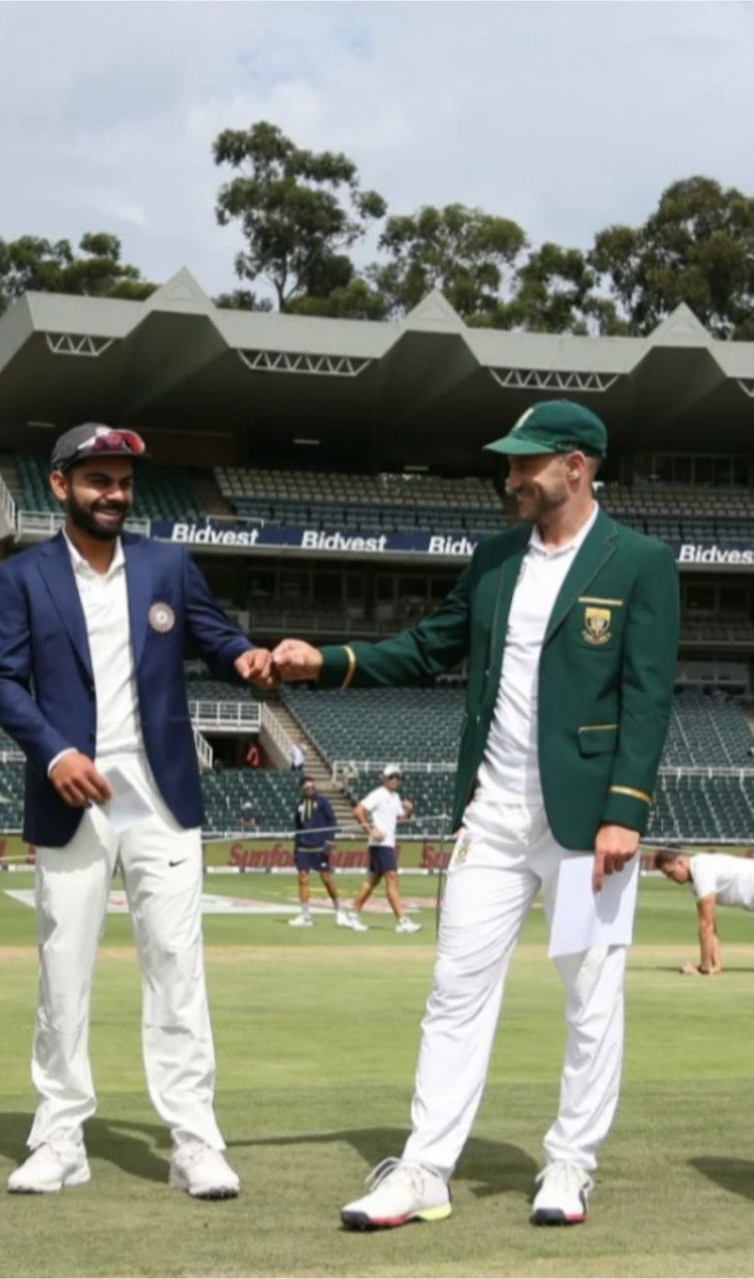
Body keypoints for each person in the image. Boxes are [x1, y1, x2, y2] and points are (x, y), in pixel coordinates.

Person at [271, 400, 680, 1231]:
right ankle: (424, 1169)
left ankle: (570, 1161)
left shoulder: (641, 562)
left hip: (586, 827)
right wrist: (330, 661)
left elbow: (648, 697)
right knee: (455, 991)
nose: (512, 477)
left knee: (590, 996)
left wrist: (624, 810)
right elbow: (426, 647)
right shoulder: (495, 559)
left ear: (578, 465)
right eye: (510, 463)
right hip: (492, 818)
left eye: (527, 462)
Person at [0, 422, 276, 1200]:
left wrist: (245, 657)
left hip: (163, 793)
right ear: (59, 485)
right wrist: (54, 751)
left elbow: (216, 638)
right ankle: (59, 1134)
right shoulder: (23, 576)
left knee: (178, 967)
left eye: (122, 482)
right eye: (98, 480)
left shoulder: (168, 564)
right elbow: (3, 681)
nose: (113, 494)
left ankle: (194, 1140)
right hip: (69, 790)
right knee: (63, 967)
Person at [653, 850, 754, 974]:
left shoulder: (702, 870)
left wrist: (703, 967)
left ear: (680, 862)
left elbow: (706, 925)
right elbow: (711, 925)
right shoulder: (695, 881)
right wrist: (716, 965)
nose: (670, 878)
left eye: (670, 873)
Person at [344, 767, 417, 935]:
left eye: (398, 777)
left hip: (387, 844)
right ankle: (402, 920)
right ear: (384, 778)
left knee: (371, 882)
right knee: (392, 878)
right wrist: (370, 830)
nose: (395, 780)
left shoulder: (395, 796)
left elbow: (400, 817)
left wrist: (408, 810)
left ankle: (353, 915)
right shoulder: (378, 793)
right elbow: (358, 811)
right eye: (392, 777)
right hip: (380, 844)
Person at [290, 778, 348, 929]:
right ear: (302, 790)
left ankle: (339, 911)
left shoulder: (323, 802)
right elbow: (297, 828)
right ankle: (305, 915)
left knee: (326, 879)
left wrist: (329, 842)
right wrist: (296, 848)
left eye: (311, 786)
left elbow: (332, 822)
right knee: (303, 878)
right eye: (307, 787)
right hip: (303, 847)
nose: (310, 788)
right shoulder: (299, 806)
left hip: (319, 846)